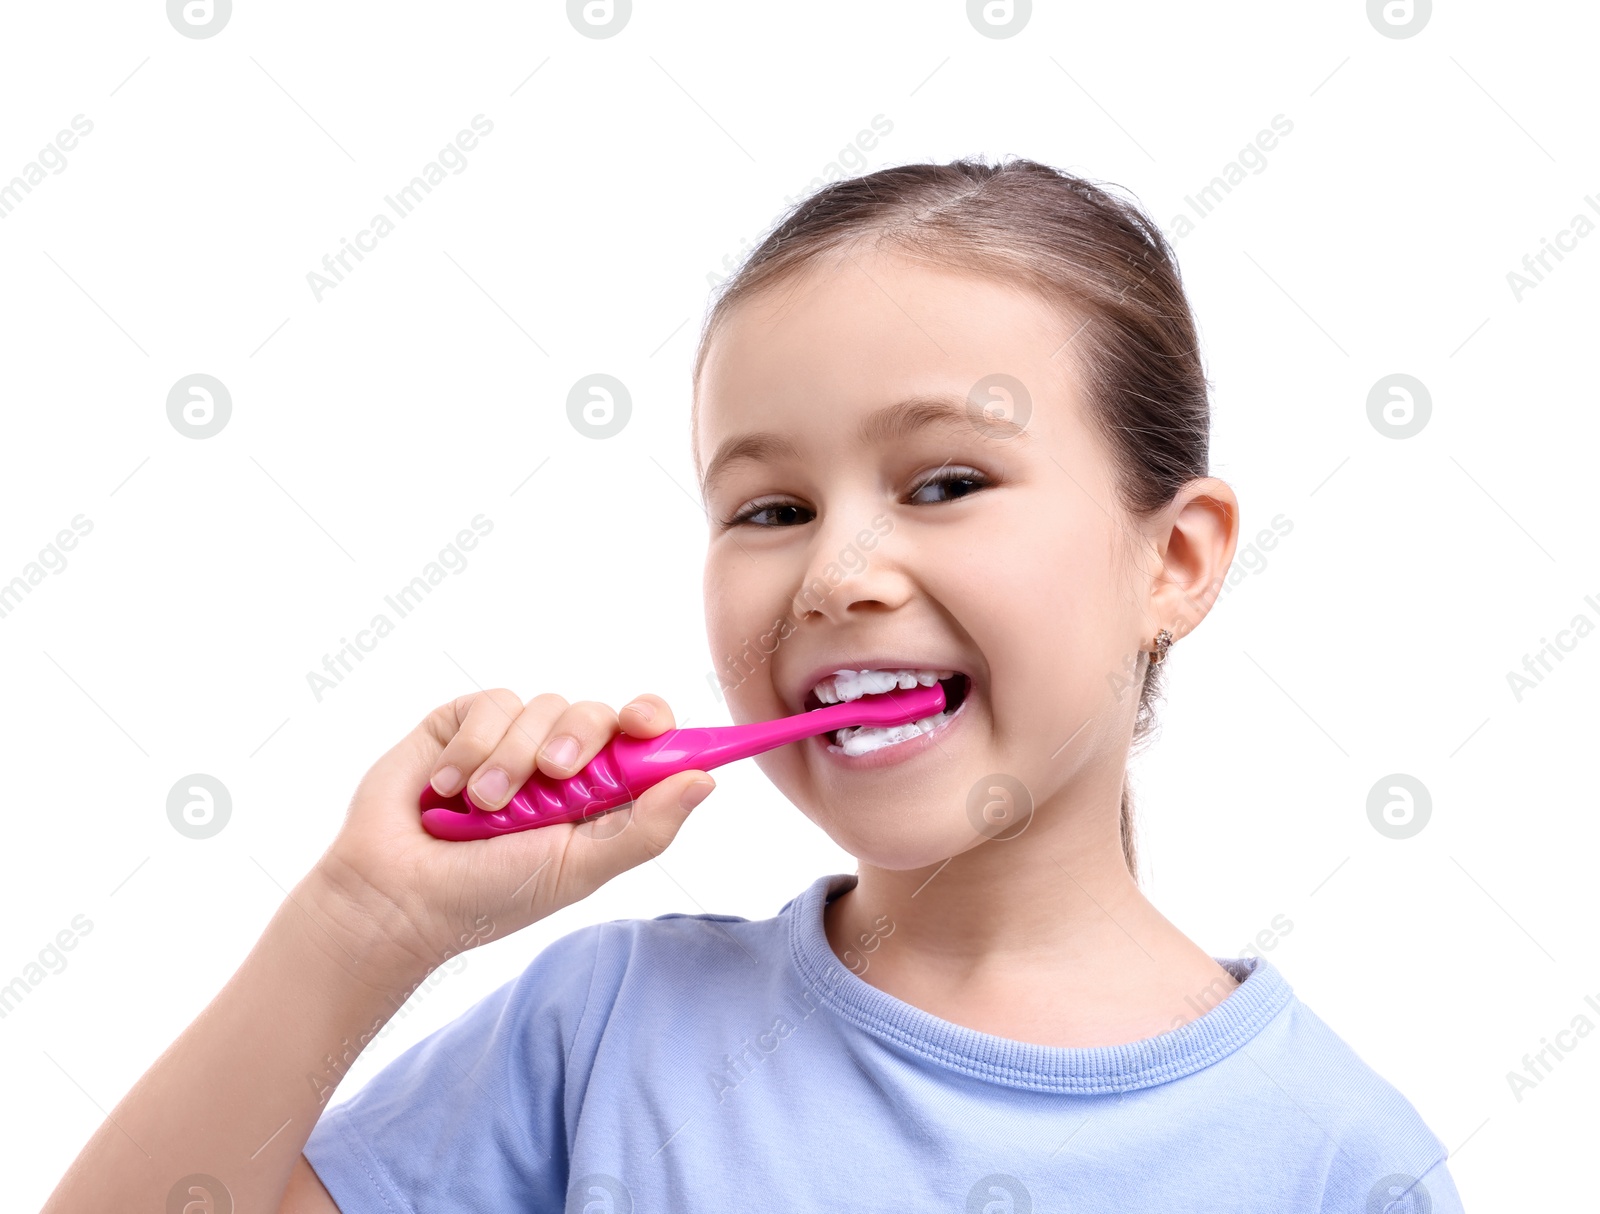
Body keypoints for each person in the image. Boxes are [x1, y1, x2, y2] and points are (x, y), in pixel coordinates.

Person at [44, 158, 1464, 1213]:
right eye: (768, 507)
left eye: (947, 481)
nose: (837, 570)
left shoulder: (1332, 1157)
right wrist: (364, 922)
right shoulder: (605, 1034)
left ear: (1177, 559)